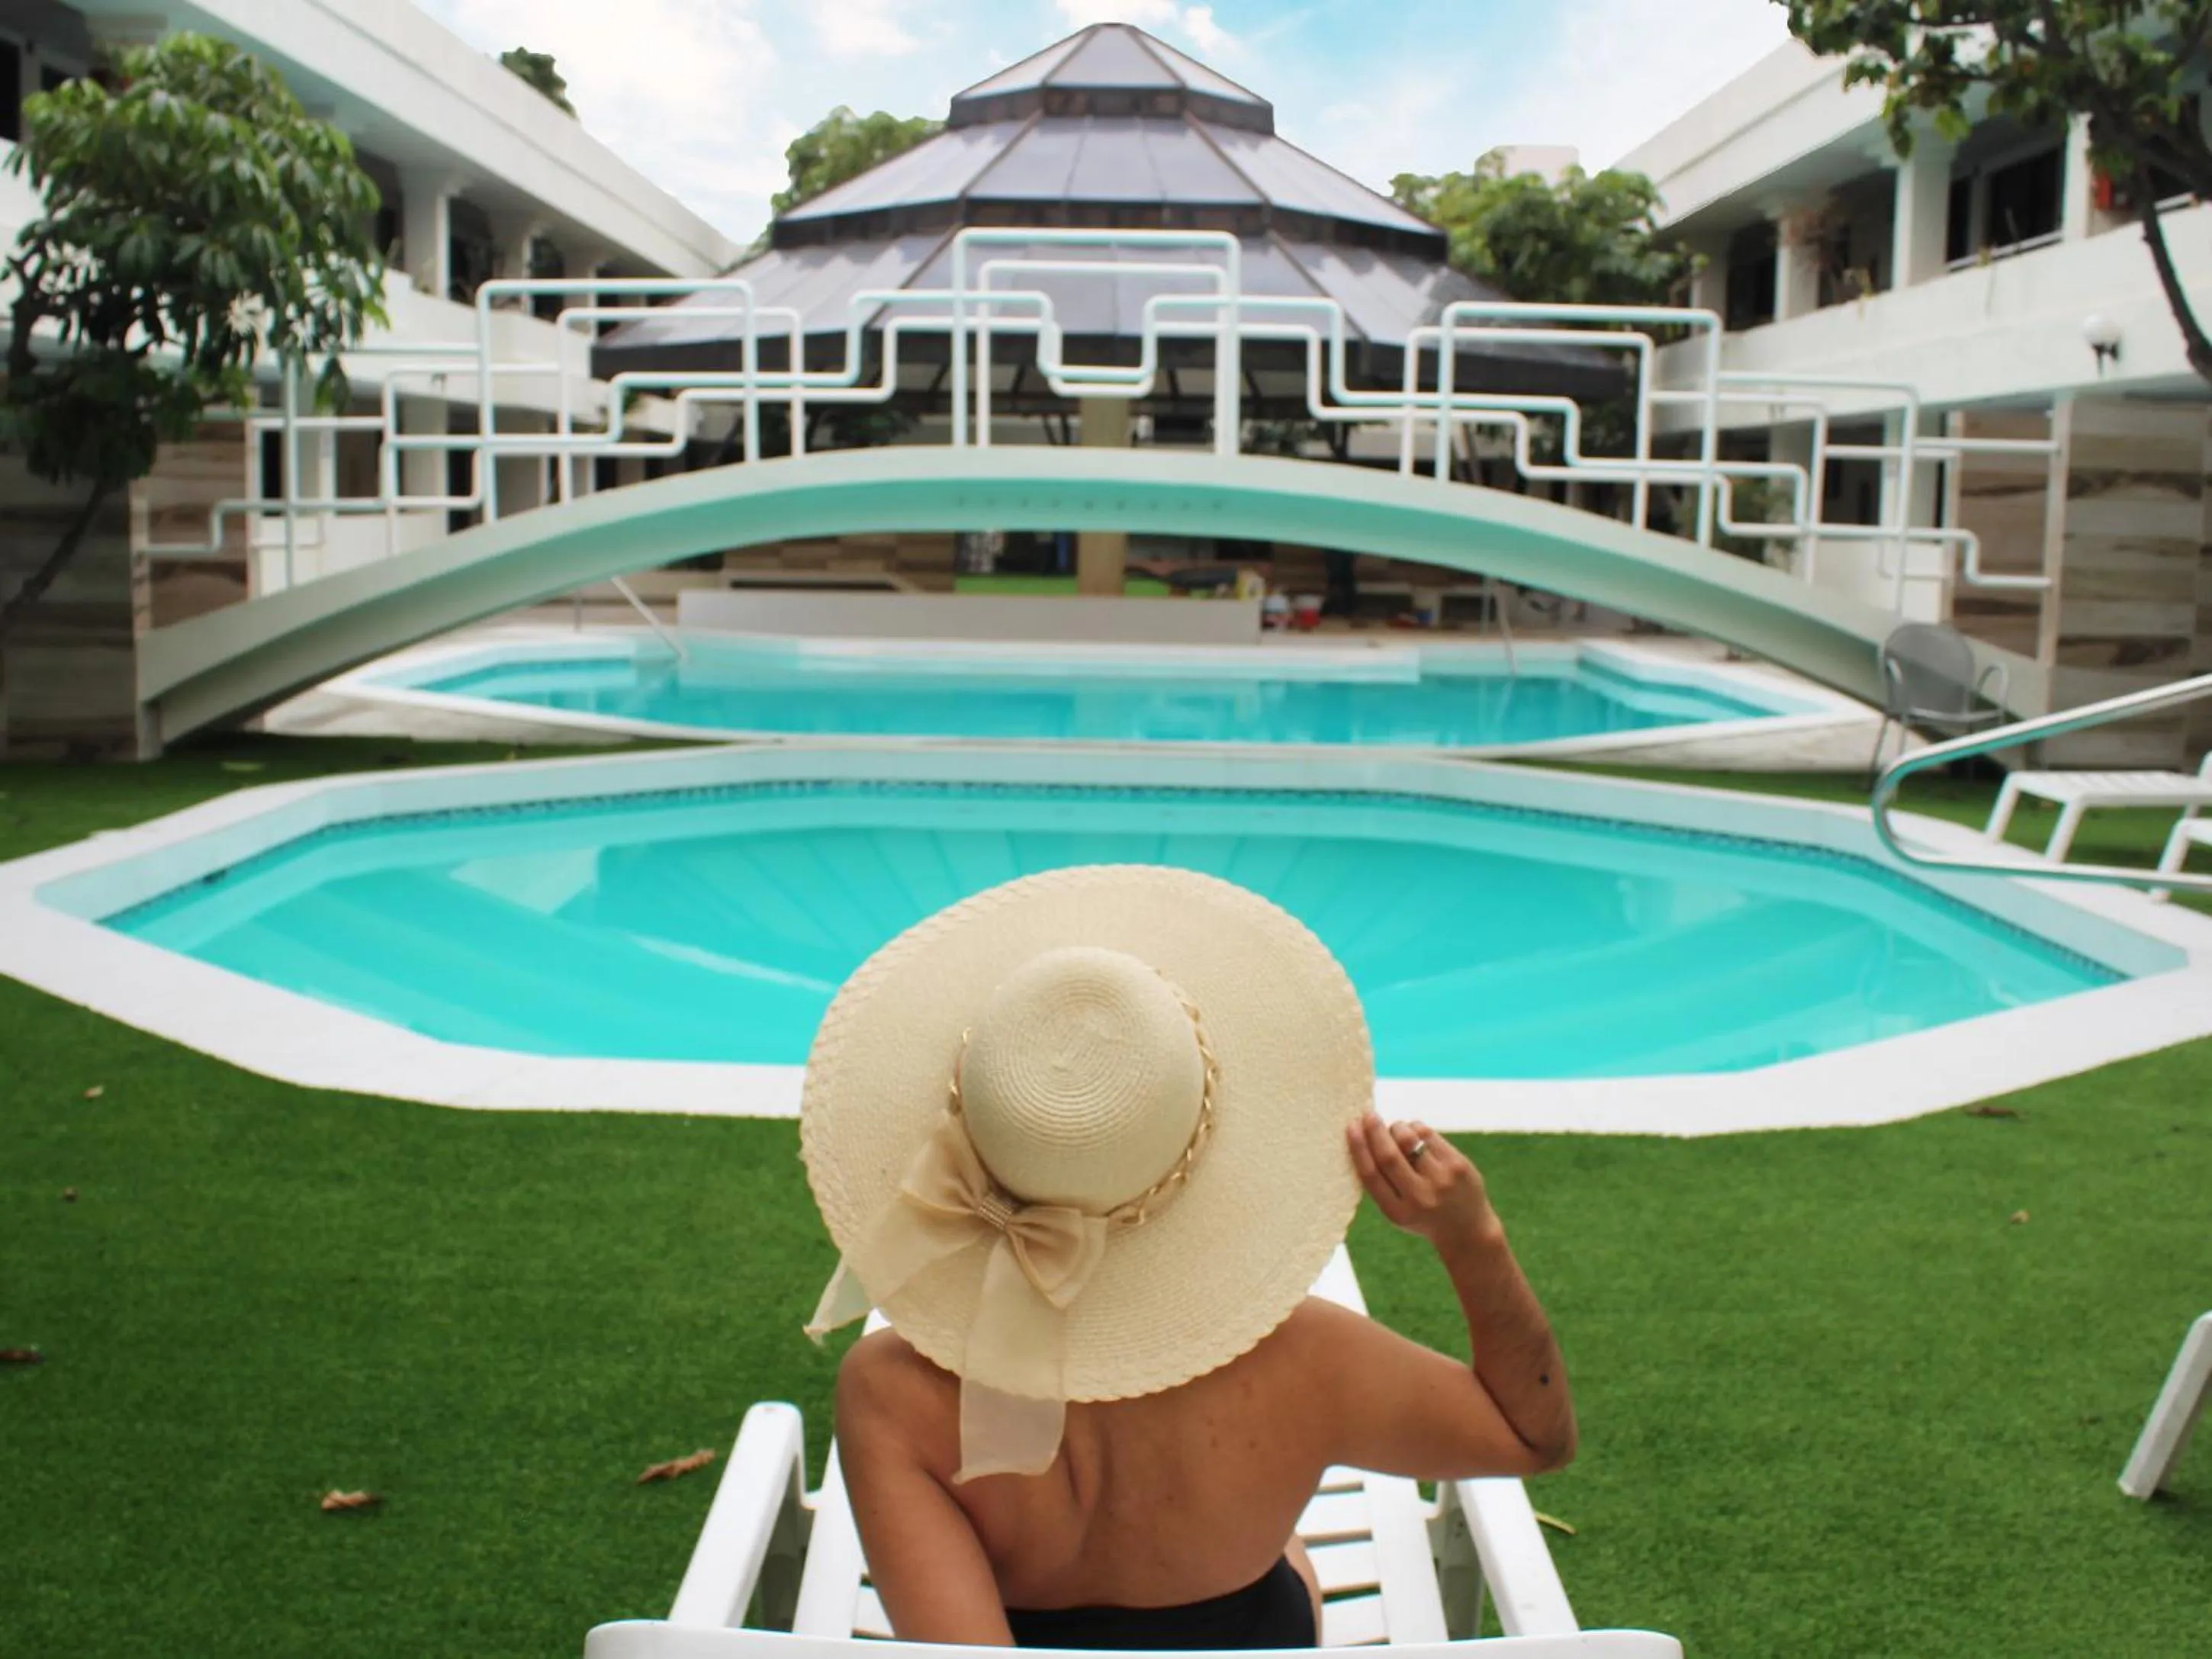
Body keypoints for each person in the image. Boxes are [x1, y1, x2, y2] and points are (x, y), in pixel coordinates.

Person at [802, 866, 1573, 1651]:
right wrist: (1471, 1240)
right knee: (1280, 1560)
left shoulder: (891, 1396)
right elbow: (1532, 1436)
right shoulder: (1305, 1362)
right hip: (1248, 1629)